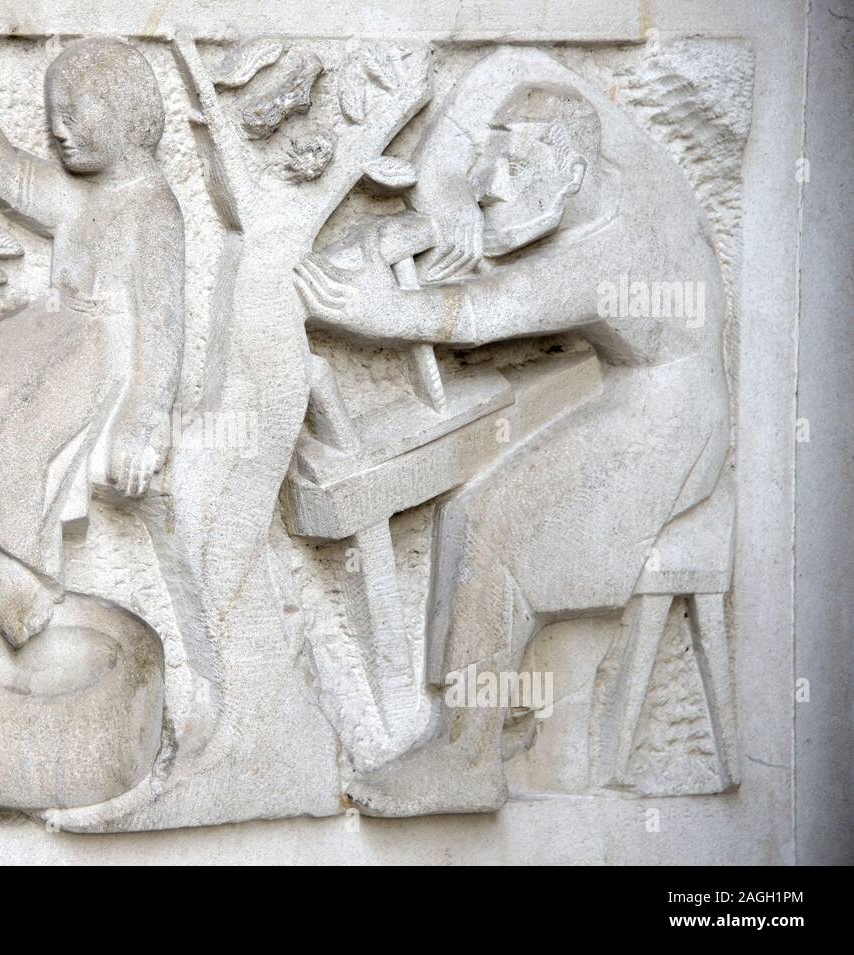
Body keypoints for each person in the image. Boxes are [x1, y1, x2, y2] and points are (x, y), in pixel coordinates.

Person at [295, 48, 730, 805]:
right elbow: (506, 65)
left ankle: (468, 761)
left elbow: (479, 316)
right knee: (475, 494)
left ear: (567, 174)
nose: (491, 183)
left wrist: (366, 312)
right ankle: (493, 707)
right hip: (636, 380)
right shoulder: (614, 152)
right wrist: (444, 192)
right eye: (492, 159)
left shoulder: (613, 256)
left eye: (513, 167)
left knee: (496, 517)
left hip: (671, 415)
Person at [0, 38, 185, 648]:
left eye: (74, 114)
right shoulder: (77, 192)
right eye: (53, 114)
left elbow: (163, 327)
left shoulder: (153, 210)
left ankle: (26, 571)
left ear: (127, 114)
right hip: (49, 328)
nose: (57, 130)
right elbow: (6, 174)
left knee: (20, 454)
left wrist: (144, 421)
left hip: (99, 349)